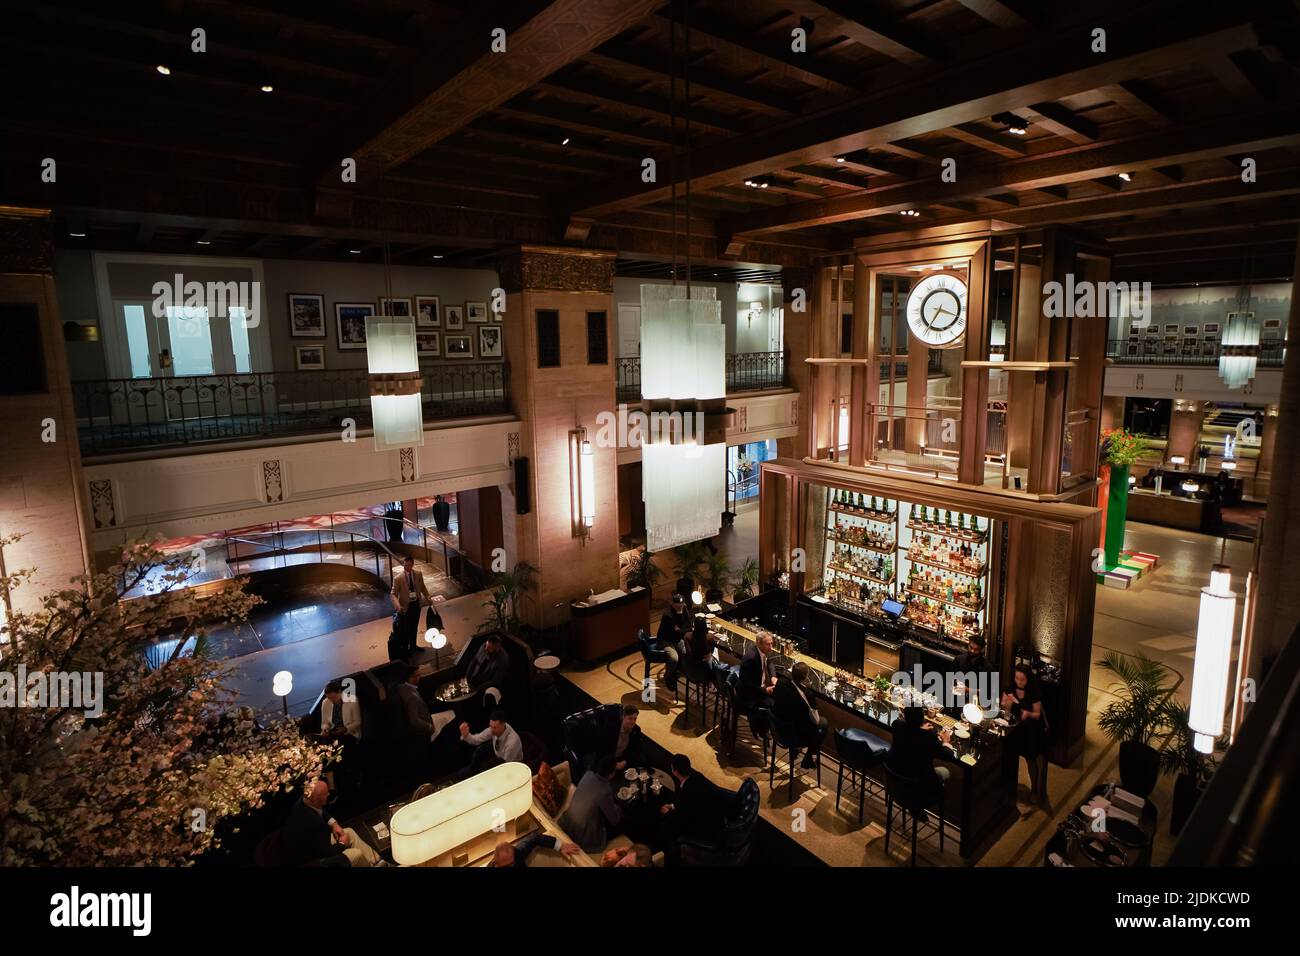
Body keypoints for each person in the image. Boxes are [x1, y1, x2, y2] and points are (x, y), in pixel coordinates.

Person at [281, 780, 381, 867]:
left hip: (315, 846)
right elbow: (326, 853)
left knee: (349, 832)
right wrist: (342, 844)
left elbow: (320, 810)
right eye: (325, 794)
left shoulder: (304, 800)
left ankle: (378, 861)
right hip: (316, 861)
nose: (328, 794)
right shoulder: (315, 824)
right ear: (316, 799)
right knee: (357, 854)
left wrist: (334, 824)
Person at [658, 754, 726, 865]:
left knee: (666, 829)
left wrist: (667, 813)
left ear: (675, 771)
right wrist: (673, 806)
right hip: (717, 815)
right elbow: (686, 802)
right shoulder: (696, 775)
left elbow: (683, 820)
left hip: (706, 829)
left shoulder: (687, 793)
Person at [1001, 664, 1048, 806]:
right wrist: (1007, 703)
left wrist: (1028, 713)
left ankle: (1035, 789)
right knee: (1008, 757)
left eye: (1022, 679)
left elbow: (1037, 714)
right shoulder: (1009, 688)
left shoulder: (1033, 691)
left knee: (1030, 760)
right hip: (1014, 728)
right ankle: (1007, 787)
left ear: (1028, 679)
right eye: (1017, 678)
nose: (1019, 682)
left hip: (1030, 730)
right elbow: (1004, 709)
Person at [559, 755, 625, 854]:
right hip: (584, 835)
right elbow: (614, 820)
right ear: (611, 774)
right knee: (623, 821)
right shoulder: (605, 791)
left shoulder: (588, 774)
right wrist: (619, 809)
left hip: (568, 823)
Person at [773, 661, 829, 769]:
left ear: (791, 673)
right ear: (806, 677)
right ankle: (809, 757)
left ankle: (796, 751)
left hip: (777, 729)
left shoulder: (781, 683)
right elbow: (816, 721)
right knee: (823, 723)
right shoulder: (808, 694)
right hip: (795, 735)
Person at [887, 705, 952, 797]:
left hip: (894, 777)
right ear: (922, 719)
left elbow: (910, 732)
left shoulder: (897, 725)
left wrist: (920, 729)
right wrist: (946, 741)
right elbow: (947, 756)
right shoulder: (929, 738)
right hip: (918, 784)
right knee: (945, 771)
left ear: (905, 716)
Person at [454, 708, 523, 780]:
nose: (491, 730)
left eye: (495, 727)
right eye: (490, 726)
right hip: (498, 758)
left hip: (513, 766)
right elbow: (477, 739)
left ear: (503, 724)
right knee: (478, 754)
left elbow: (507, 767)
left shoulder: (511, 743)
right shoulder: (493, 729)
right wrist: (466, 735)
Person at [391, 556, 431, 657]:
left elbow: (422, 586)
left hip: (416, 605)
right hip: (405, 607)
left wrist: (427, 596)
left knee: (414, 627)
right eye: (405, 565)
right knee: (406, 629)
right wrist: (398, 606)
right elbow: (393, 594)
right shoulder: (398, 578)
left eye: (408, 565)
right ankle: (406, 649)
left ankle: (413, 646)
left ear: (412, 565)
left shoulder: (418, 574)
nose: (406, 567)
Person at [655, 593, 693, 692]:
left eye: (682, 605)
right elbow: (672, 632)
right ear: (673, 604)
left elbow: (689, 626)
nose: (680, 607)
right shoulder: (668, 615)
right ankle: (668, 677)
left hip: (676, 638)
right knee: (674, 658)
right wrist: (681, 628)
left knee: (686, 652)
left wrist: (680, 629)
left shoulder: (684, 609)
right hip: (665, 641)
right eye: (677, 605)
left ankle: (679, 671)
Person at [951, 635, 995, 710]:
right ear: (968, 645)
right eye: (971, 647)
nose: (972, 651)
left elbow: (987, 691)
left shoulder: (987, 668)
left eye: (976, 649)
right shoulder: (959, 659)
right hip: (958, 699)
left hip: (976, 703)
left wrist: (968, 690)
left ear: (982, 650)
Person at [491, 832, 580, 867]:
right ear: (497, 864)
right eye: (507, 865)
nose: (512, 865)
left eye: (512, 863)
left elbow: (534, 838)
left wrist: (560, 846)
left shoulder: (518, 852)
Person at [738, 633, 777, 711]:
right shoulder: (751, 659)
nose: (771, 648)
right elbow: (746, 684)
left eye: (771, 644)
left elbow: (769, 662)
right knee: (777, 705)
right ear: (758, 643)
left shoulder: (761, 650)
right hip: (751, 696)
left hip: (761, 687)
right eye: (768, 644)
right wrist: (765, 690)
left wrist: (773, 676)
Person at [318, 679, 362, 743]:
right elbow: (325, 722)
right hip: (333, 730)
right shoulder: (325, 702)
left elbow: (358, 722)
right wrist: (325, 729)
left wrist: (345, 729)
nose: (332, 700)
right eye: (329, 698)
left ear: (339, 692)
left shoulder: (352, 699)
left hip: (349, 732)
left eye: (334, 697)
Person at [604, 704, 644, 771]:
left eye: (635, 719)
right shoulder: (612, 727)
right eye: (630, 718)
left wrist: (625, 762)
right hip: (608, 760)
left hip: (624, 761)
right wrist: (612, 764)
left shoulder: (636, 730)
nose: (633, 722)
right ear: (623, 717)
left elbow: (637, 750)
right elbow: (605, 748)